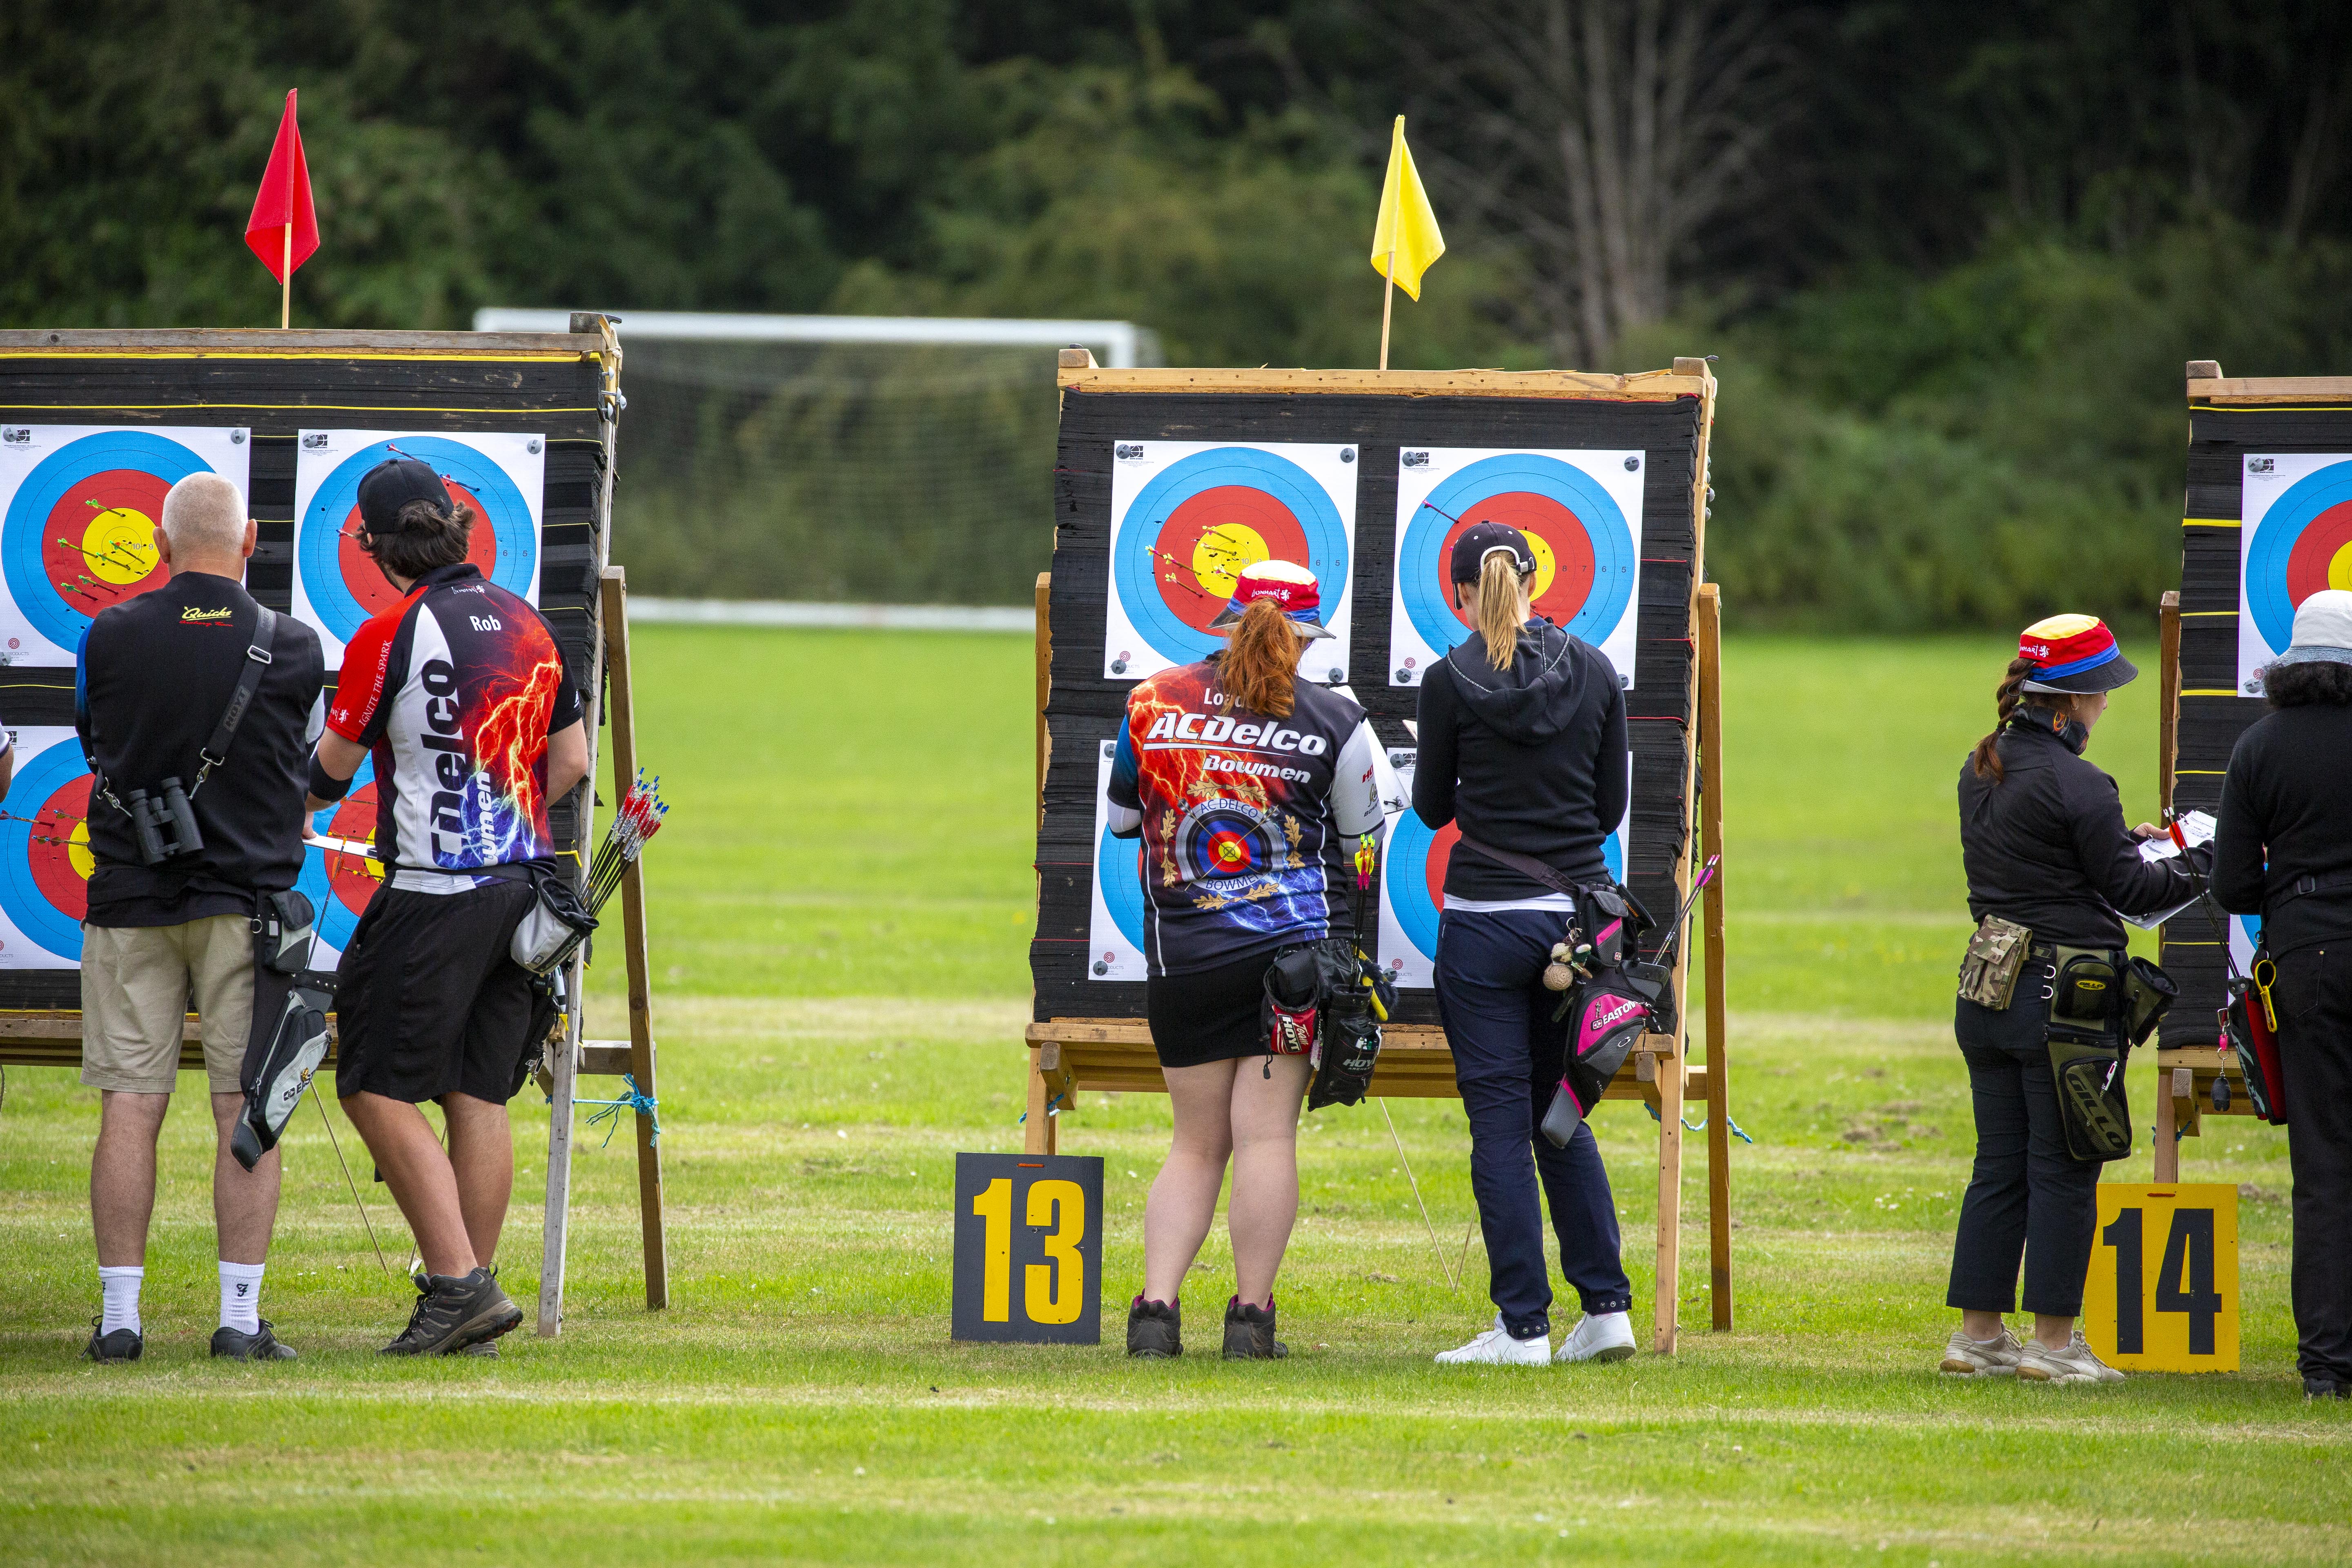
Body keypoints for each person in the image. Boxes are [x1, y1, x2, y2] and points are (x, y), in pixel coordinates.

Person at [308, 457, 588, 1357]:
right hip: (525, 896)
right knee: (478, 1091)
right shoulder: (530, 623)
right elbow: (573, 762)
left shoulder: (389, 633)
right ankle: (472, 1302)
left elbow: (328, 775)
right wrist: (503, 811)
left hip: (433, 896)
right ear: (457, 526)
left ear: (372, 547)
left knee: (372, 1085)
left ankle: (461, 1286)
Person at [1110, 560, 1396, 1360]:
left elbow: (1125, 823)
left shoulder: (1151, 701)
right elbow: (1363, 839)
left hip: (1184, 959)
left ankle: (1155, 1316)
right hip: (1290, 968)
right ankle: (1249, 1323)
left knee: (1195, 1145)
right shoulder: (1336, 717)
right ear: (1305, 638)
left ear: (1228, 622)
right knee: (1266, 1140)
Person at [74, 470, 326, 1363]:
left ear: (159, 545)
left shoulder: (107, 634)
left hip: (129, 901)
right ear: (251, 540)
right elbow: (305, 765)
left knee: (131, 1104)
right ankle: (239, 1321)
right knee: (245, 1107)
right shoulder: (294, 645)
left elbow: (92, 742)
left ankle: (119, 1323)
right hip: (249, 912)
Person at [1941, 614, 2195, 1385]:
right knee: (2065, 1167)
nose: (2107, 705)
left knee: (1999, 1165)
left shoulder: (1981, 767)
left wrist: (2126, 843)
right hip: (2064, 1003)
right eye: (2101, 693)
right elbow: (2133, 892)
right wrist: (2203, 858)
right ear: (2072, 703)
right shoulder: (2082, 783)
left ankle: (1979, 1338)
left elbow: (2057, 865)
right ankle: (2053, 1346)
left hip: (1988, 989)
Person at [1410, 522, 1637, 1367]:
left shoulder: (1448, 679)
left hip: (1484, 926)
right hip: (1577, 930)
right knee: (1559, 1113)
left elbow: (1432, 809)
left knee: (1502, 1125)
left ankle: (1522, 1329)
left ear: (1461, 594)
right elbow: (1609, 810)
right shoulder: (1597, 669)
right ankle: (1606, 1312)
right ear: (1535, 582)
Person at [2214, 589, 2352, 1400]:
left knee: (2325, 1168)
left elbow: (2233, 885)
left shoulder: (2259, 747)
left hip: (2309, 962)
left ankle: (2326, 1368)